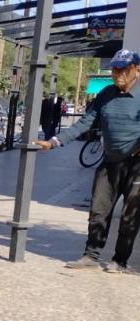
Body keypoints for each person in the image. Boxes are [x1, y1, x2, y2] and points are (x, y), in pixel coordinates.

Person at [34, 49, 140, 275]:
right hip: (110, 162)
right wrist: (54, 142)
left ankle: (120, 261)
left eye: (124, 68)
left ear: (137, 70)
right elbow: (84, 123)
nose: (117, 73)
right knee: (98, 210)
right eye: (114, 68)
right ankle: (91, 255)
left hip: (137, 166)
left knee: (131, 215)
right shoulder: (105, 94)